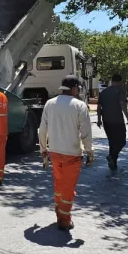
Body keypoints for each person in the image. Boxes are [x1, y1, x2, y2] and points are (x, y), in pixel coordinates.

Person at [38, 75, 94, 231]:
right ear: (75, 88)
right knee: (68, 189)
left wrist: (43, 150)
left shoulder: (50, 104)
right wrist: (90, 151)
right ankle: (64, 221)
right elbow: (86, 132)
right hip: (72, 155)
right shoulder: (79, 106)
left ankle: (60, 214)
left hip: (54, 153)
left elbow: (42, 130)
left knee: (59, 186)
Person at [97, 74, 128, 170]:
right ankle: (112, 157)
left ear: (112, 80)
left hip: (106, 120)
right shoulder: (120, 90)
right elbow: (122, 104)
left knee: (112, 142)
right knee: (121, 141)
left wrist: (99, 120)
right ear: (120, 81)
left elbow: (99, 107)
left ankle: (113, 162)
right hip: (117, 120)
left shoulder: (104, 92)